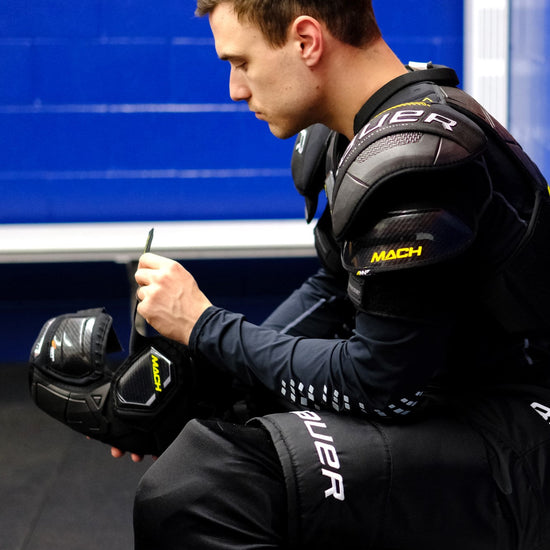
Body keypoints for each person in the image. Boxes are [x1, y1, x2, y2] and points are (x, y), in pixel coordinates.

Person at [124, 1, 550, 548]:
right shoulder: (357, 128)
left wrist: (205, 326)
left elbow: (378, 384)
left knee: (202, 488)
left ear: (306, 40)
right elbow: (331, 289)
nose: (235, 88)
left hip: (518, 436)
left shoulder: (415, 158)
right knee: (217, 425)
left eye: (241, 62)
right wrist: (207, 384)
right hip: (448, 396)